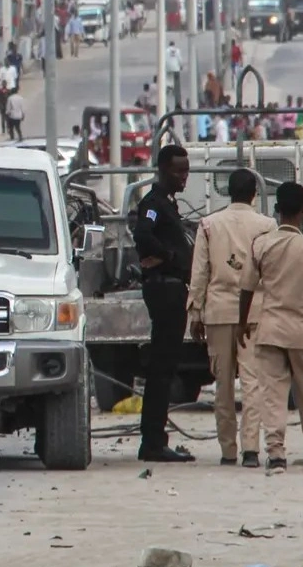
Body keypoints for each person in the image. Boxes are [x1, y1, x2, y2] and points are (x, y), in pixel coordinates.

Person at [238, 181, 303, 475]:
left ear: (277, 210)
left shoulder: (261, 244)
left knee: (272, 394)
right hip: (302, 331)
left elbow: (246, 287)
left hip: (269, 328)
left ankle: (277, 455)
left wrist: (243, 322)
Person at [188, 168, 276, 468]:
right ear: (254, 193)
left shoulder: (209, 225)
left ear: (228, 192)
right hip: (255, 310)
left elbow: (199, 273)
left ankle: (228, 449)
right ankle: (251, 448)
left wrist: (195, 312)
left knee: (222, 383)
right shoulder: (267, 225)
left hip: (219, 310)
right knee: (253, 382)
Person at [132, 144, 197, 463]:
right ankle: (153, 442)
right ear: (161, 170)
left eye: (186, 170)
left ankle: (156, 438)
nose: (183, 176)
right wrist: (170, 258)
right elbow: (143, 234)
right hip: (165, 289)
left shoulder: (168, 203)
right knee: (162, 369)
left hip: (174, 288)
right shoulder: (154, 203)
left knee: (166, 367)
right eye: (178, 170)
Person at [166, 41, 183, 109]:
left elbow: (165, 59)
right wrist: (181, 66)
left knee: (169, 80)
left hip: (168, 68)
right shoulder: (177, 50)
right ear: (174, 45)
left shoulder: (166, 50)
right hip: (176, 68)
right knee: (177, 84)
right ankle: (175, 93)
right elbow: (179, 59)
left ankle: (169, 88)